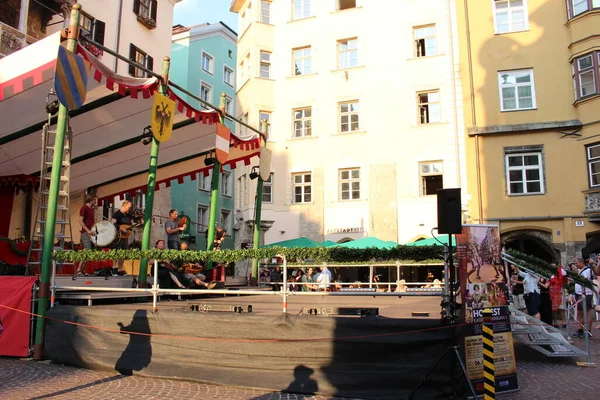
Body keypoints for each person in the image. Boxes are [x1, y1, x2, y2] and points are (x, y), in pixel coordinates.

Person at [74, 194, 97, 277]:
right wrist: (88, 230)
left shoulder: (92, 210)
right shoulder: (84, 208)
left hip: (91, 233)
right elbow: (80, 220)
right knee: (87, 250)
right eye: (94, 200)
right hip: (85, 233)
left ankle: (83, 270)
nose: (95, 201)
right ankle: (79, 269)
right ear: (91, 200)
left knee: (90, 252)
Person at [572, 257, 595, 338]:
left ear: (581, 262)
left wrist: (575, 273)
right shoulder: (578, 270)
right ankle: (580, 329)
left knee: (588, 311)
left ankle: (588, 330)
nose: (575, 265)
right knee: (579, 312)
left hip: (586, 294)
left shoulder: (587, 270)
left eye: (576, 263)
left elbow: (583, 280)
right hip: (578, 293)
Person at [111, 200, 134, 275]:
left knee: (123, 253)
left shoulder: (129, 215)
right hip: (119, 236)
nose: (129, 209)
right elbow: (112, 223)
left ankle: (120, 269)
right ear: (124, 206)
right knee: (117, 252)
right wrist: (121, 229)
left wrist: (140, 222)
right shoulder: (117, 214)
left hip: (125, 237)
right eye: (128, 207)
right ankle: (114, 268)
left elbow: (132, 224)